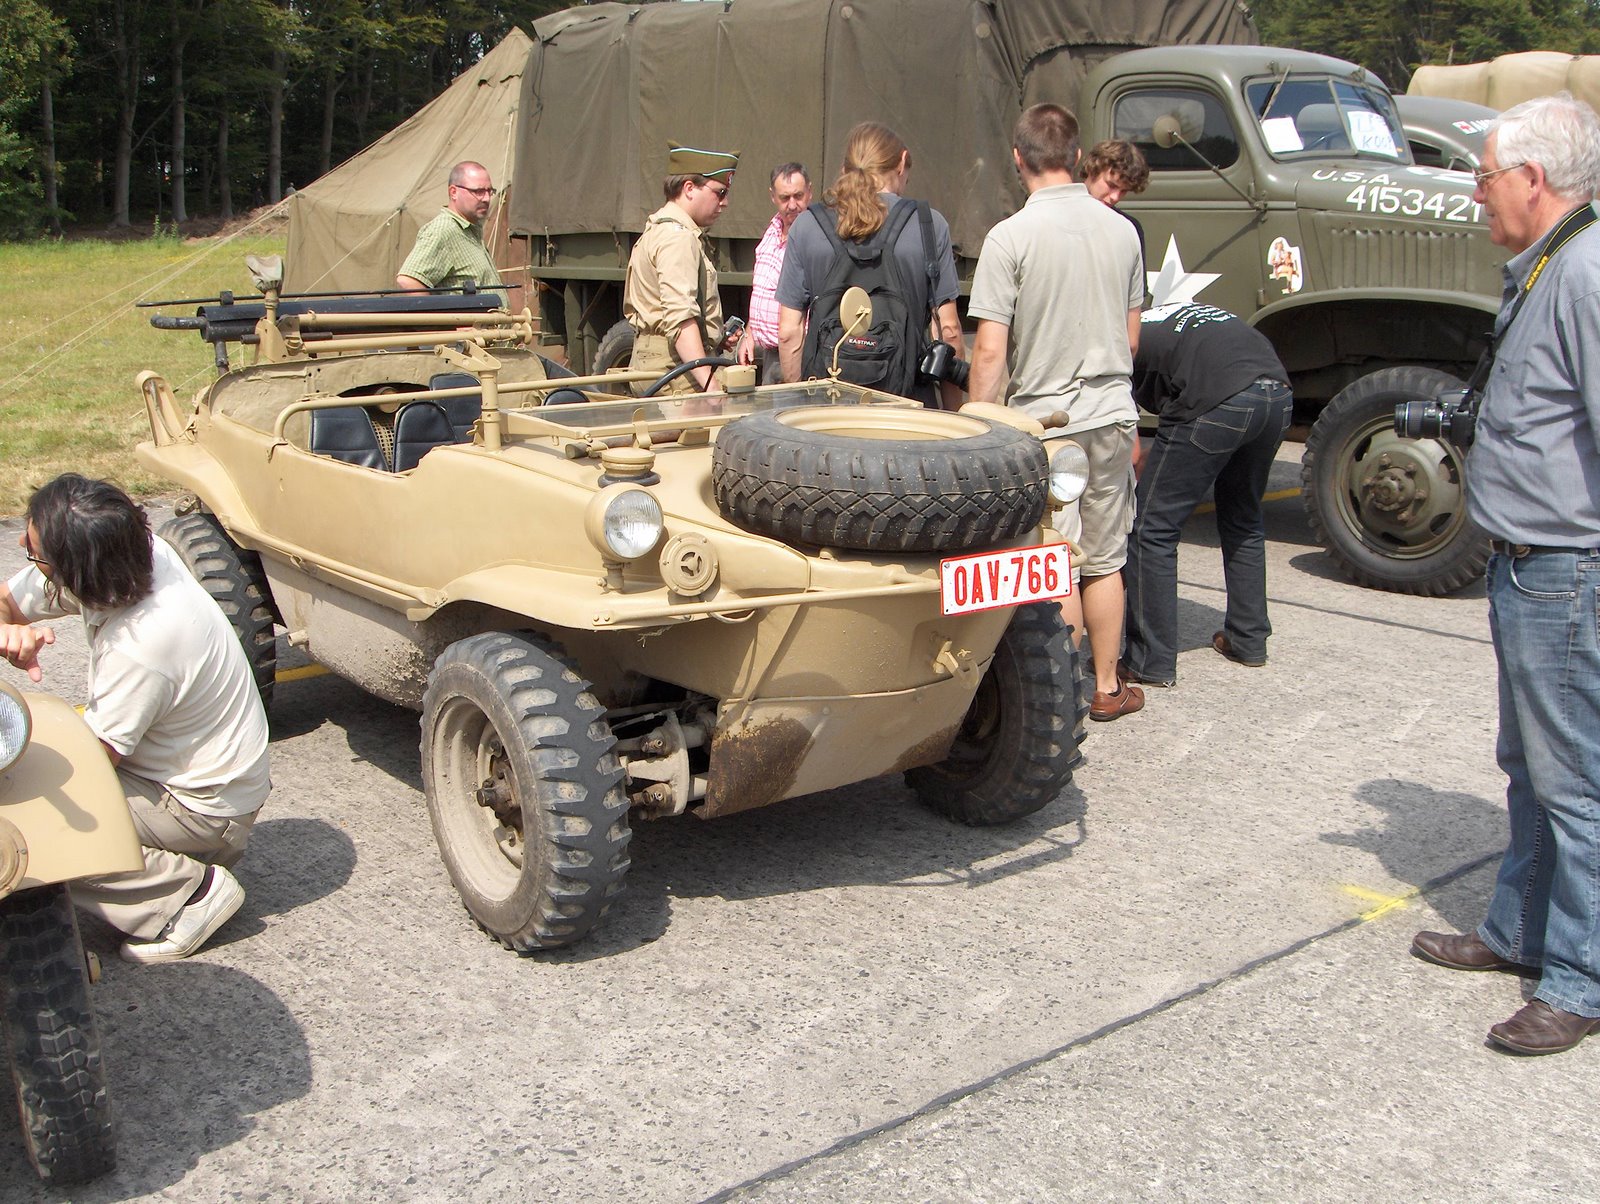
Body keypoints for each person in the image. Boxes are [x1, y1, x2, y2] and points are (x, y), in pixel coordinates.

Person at [1410, 93, 1600, 1056]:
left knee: (1576, 786)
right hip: (1528, 569)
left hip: (1565, 572)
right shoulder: (1550, 266)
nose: (1477, 194)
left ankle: (1579, 979)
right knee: (1528, 769)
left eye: (1485, 177)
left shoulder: (1587, 275)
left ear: (1533, 178)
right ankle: (1518, 931)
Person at [0, 476, 271, 964]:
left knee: (25, 825)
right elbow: (7, 602)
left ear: (77, 574)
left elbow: (91, 766)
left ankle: (186, 897)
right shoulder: (132, 556)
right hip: (183, 777)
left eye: (35, 554)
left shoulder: (142, 645)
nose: (22, 545)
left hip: (202, 814)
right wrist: (6, 632)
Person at [965, 103, 1145, 722]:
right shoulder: (1123, 232)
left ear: (1018, 158)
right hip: (1112, 414)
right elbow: (1131, 340)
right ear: (1076, 156)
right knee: (1106, 559)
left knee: (1055, 563)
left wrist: (976, 424)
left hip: (1047, 426)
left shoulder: (1009, 237)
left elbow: (990, 352)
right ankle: (1106, 686)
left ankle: (1060, 699)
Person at [1121, 303, 1292, 686]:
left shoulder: (1121, 337)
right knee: (1243, 517)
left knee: (1151, 528)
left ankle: (1149, 661)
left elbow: (1129, 452)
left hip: (1218, 399)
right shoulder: (1167, 320)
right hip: (1277, 395)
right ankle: (1248, 639)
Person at [775, 122, 962, 408]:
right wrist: (953, 415)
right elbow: (948, 330)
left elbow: (789, 333)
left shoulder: (807, 225)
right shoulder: (929, 225)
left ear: (844, 168)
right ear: (901, 163)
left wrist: (802, 406)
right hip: (907, 410)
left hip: (827, 411)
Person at [624, 142, 740, 395]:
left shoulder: (658, 228)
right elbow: (681, 320)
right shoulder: (678, 238)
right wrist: (710, 386)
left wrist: (715, 336)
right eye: (720, 192)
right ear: (689, 188)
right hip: (677, 370)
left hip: (657, 362)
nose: (725, 202)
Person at [739, 163, 812, 383]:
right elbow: (764, 290)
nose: (792, 205)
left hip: (798, 354)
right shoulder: (772, 232)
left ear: (810, 192)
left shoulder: (815, 238)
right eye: (785, 198)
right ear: (773, 196)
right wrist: (750, 333)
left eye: (798, 196)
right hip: (770, 356)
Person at [396, 161, 507, 302]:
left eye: (489, 191)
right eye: (478, 191)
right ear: (453, 192)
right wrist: (439, 315)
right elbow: (409, 280)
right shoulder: (443, 229)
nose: (486, 198)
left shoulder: (469, 230)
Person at [1081, 139, 1151, 267]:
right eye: (1111, 185)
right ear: (1092, 170)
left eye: (1124, 191)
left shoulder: (1130, 227)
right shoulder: (1055, 215)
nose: (1115, 197)